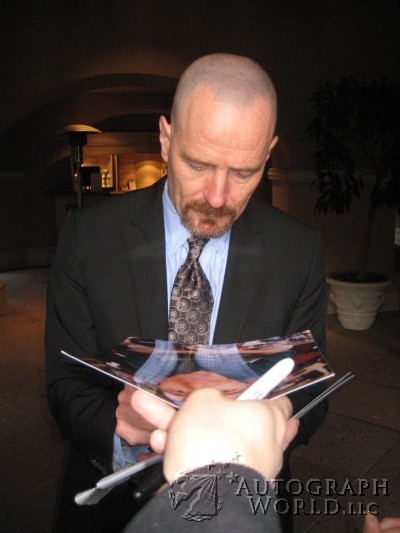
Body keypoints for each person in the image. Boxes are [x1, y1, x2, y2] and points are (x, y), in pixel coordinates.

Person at [45, 53, 328, 532]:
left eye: (243, 172)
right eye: (197, 164)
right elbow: (65, 384)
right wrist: (120, 431)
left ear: (268, 153)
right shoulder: (86, 237)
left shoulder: (299, 250)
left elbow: (311, 387)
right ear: (165, 138)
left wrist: (277, 417)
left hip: (245, 506)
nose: (217, 196)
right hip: (113, 508)